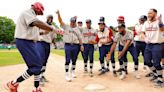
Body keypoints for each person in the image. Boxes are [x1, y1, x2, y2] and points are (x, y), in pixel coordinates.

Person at [6, 2, 59, 92]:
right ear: (37, 8)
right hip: (24, 41)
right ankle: (13, 83)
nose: (39, 13)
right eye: (39, 11)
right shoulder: (28, 13)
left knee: (38, 65)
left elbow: (34, 32)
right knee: (36, 67)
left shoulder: (32, 16)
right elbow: (36, 22)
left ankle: (36, 88)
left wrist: (43, 33)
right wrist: (52, 29)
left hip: (31, 43)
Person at [56, 10, 84, 82]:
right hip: (68, 45)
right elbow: (60, 21)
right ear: (70, 21)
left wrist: (81, 45)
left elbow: (80, 38)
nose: (72, 23)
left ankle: (73, 71)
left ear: (75, 22)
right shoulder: (66, 26)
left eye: (74, 22)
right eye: (71, 21)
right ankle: (67, 74)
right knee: (67, 60)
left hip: (76, 46)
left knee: (74, 60)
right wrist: (59, 14)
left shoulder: (78, 29)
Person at [142, 9, 164, 87]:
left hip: (157, 44)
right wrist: (145, 38)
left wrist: (160, 21)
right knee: (147, 61)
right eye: (148, 13)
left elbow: (162, 29)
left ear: (155, 14)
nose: (148, 14)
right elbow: (143, 32)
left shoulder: (159, 22)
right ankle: (155, 74)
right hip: (149, 44)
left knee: (156, 63)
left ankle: (161, 80)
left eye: (150, 13)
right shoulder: (146, 22)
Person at [36, 15, 57, 86]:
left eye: (51, 18)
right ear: (46, 18)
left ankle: (42, 75)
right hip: (41, 43)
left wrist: (55, 44)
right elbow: (36, 33)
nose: (50, 19)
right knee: (41, 59)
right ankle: (38, 77)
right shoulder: (42, 24)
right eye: (49, 18)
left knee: (45, 61)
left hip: (48, 44)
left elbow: (53, 37)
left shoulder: (53, 27)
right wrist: (43, 33)